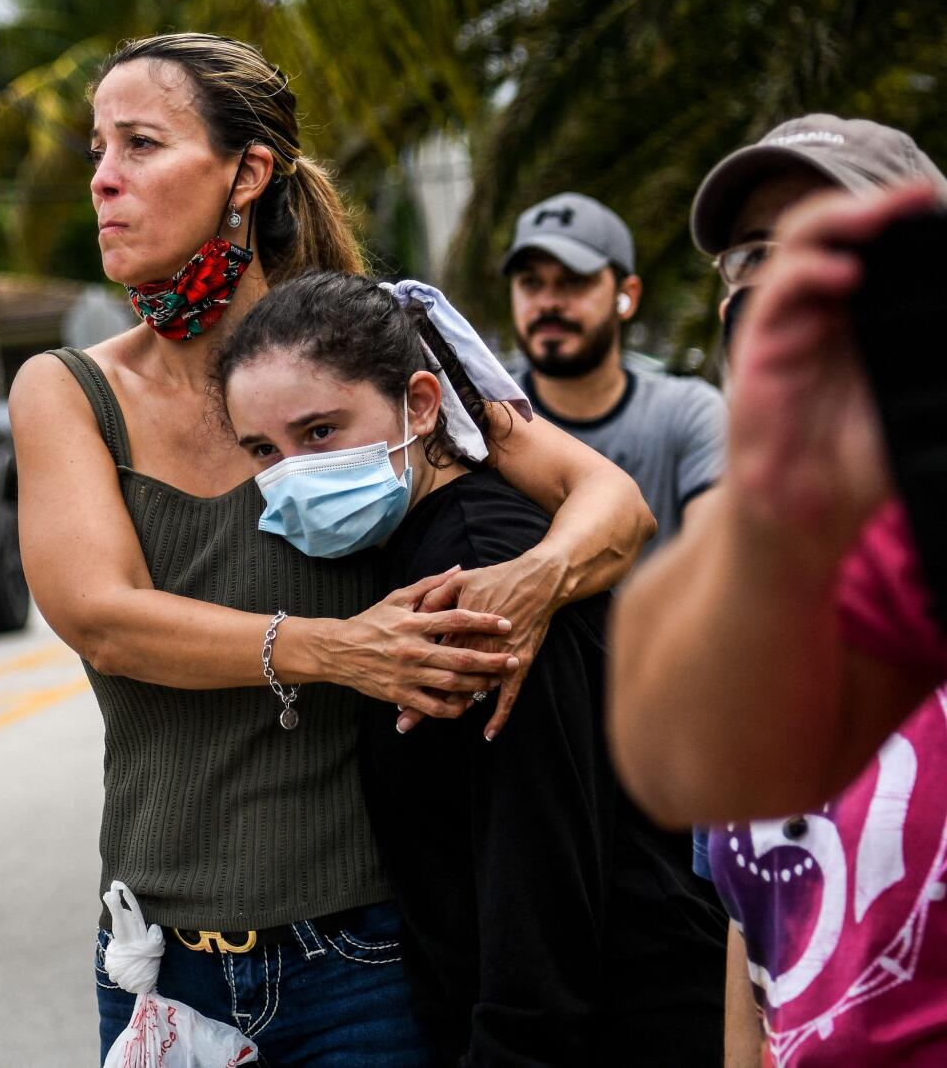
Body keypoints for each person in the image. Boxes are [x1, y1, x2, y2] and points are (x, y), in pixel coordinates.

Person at [8, 32, 656, 1063]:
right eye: (97, 149)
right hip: (158, 966)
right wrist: (337, 647)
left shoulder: (376, 346)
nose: (101, 179)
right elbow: (98, 614)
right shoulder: (68, 390)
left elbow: (608, 498)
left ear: (244, 173)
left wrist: (530, 581)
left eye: (138, 144)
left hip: (368, 953)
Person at [215, 270, 724, 1065]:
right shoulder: (412, 554)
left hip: (618, 1023)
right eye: (262, 451)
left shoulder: (478, 573)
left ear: (420, 403)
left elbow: (539, 868)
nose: (293, 474)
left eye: (319, 432)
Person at [608, 115, 947, 1066]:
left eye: (828, 242)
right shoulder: (780, 556)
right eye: (753, 257)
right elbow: (696, 799)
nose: (781, 284)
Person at [503, 192, 724, 556]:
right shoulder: (482, 419)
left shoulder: (690, 412)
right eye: (530, 282)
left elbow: (719, 560)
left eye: (573, 281)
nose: (548, 302)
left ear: (628, 296)